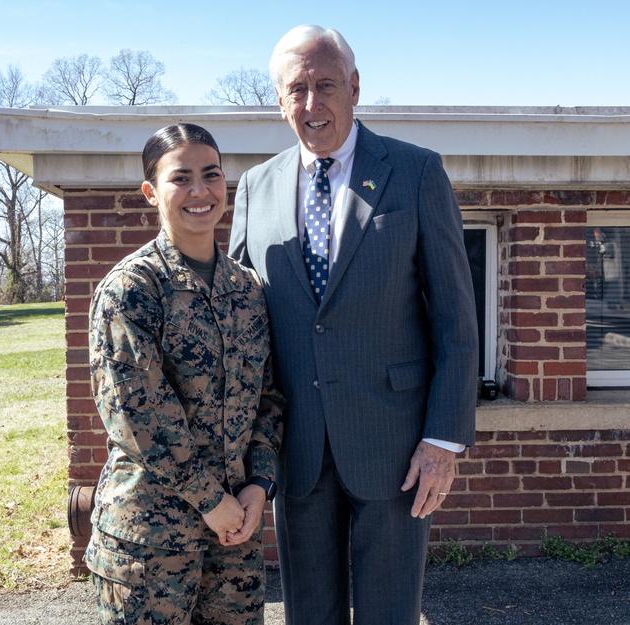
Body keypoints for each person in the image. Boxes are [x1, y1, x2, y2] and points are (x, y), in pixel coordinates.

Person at [229, 25, 478, 625]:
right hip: (299, 449)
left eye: (326, 85)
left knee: (389, 613)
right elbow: (240, 327)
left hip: (395, 448)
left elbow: (456, 320)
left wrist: (443, 440)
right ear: (279, 100)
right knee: (308, 615)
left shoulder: (415, 173)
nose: (312, 104)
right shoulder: (254, 188)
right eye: (297, 89)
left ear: (355, 87)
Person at [86, 123, 284, 624]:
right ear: (151, 192)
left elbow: (269, 398)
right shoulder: (133, 289)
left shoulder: (247, 290)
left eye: (211, 175)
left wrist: (259, 485)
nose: (200, 191)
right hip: (151, 540)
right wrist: (208, 498)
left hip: (234, 533)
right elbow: (137, 415)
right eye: (181, 178)